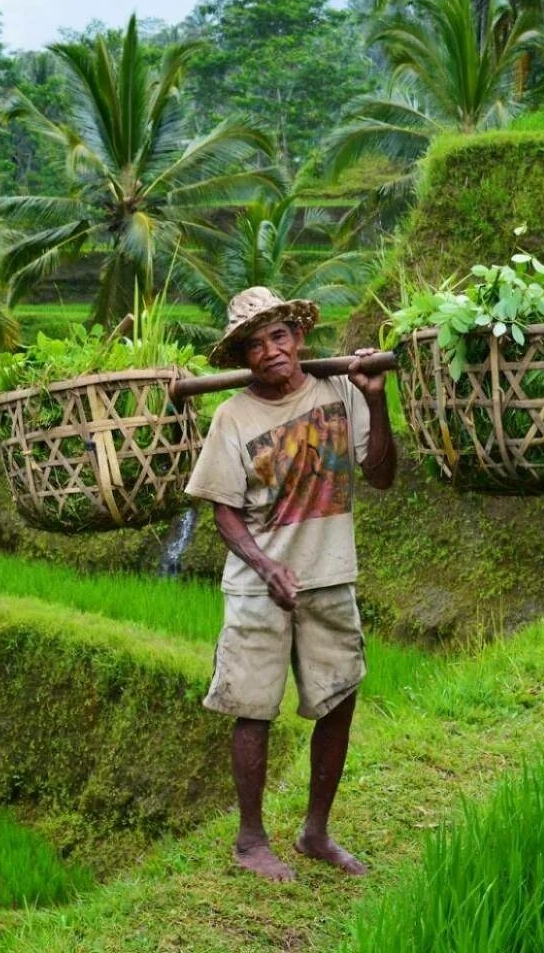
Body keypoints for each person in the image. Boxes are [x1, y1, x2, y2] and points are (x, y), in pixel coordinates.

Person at [184, 286, 396, 883]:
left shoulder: (339, 393)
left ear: (299, 339)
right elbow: (224, 510)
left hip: (330, 576)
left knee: (339, 697)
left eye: (279, 336)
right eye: (256, 344)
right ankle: (251, 840)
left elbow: (379, 474)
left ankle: (315, 832)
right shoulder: (233, 417)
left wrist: (375, 401)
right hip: (258, 588)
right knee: (252, 708)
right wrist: (264, 565)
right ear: (245, 358)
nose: (271, 350)